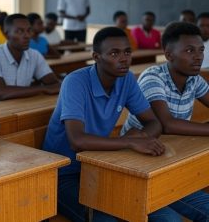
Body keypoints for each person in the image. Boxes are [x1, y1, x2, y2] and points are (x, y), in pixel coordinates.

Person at [42, 27, 182, 222]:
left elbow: (153, 122)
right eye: (114, 53)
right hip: (64, 173)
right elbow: (77, 140)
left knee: (166, 217)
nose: (124, 59)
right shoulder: (75, 82)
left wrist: (137, 138)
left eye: (127, 52)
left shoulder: (126, 80)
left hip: (102, 165)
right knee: (106, 218)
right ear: (96, 57)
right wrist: (130, 142)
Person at [122, 22, 209, 221]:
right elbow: (167, 124)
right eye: (189, 50)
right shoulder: (153, 77)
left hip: (170, 162)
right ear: (169, 55)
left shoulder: (194, 79)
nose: (198, 56)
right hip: (136, 165)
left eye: (201, 50)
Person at [0, 14, 60, 104]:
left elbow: (54, 84)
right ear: (6, 34)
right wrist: (44, 88)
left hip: (17, 107)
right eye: (19, 31)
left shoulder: (34, 55)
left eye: (29, 30)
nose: (27, 36)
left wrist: (47, 88)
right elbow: (1, 93)